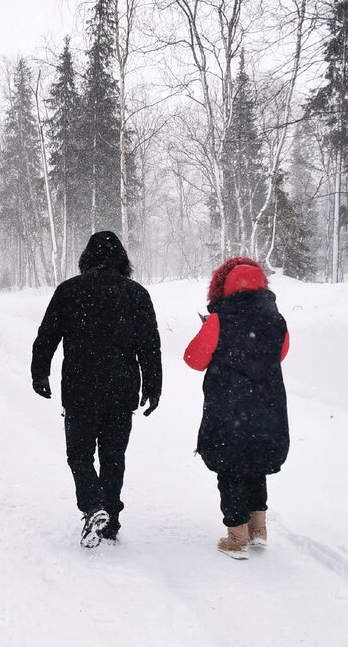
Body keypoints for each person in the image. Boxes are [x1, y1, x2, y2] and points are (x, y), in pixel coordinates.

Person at [31, 231, 162, 548]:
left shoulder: (69, 291)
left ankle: (93, 505)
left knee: (79, 455)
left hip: (80, 388)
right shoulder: (136, 294)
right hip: (121, 390)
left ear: (87, 258)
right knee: (113, 457)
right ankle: (110, 521)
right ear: (122, 260)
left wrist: (40, 373)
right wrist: (153, 386)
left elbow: (47, 335)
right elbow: (150, 346)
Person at [183, 257, 289, 559]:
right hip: (267, 406)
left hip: (228, 407)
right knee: (256, 466)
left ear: (223, 287)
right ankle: (258, 529)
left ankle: (236, 536)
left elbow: (194, 359)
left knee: (230, 468)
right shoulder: (277, 319)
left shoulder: (219, 319)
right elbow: (280, 353)